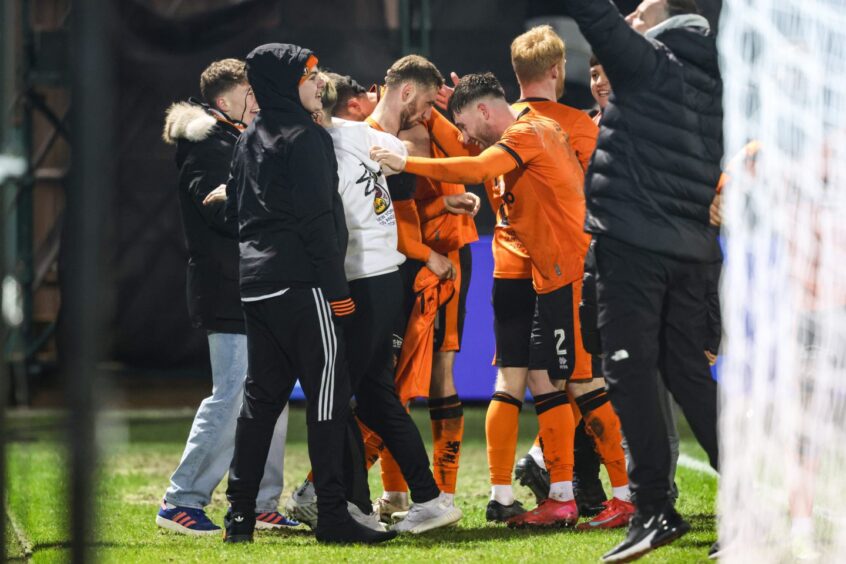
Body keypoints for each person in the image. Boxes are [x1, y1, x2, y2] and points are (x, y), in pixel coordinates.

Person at [372, 71, 592, 529]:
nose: (464, 136)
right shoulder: (551, 125)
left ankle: (540, 491)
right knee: (565, 382)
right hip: (541, 269)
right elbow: (470, 160)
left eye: (464, 124)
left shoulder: (526, 132)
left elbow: (472, 166)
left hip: (534, 269)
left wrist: (407, 161)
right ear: (558, 70)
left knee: (543, 382)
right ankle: (578, 493)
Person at [561, 0, 722, 560]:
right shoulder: (718, 75)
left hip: (634, 245)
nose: (631, 18)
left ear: (669, 20)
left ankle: (654, 508)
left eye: (642, 11)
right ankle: (748, 502)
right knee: (690, 378)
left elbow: (593, 17)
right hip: (693, 253)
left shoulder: (652, 62)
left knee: (626, 374)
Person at [221, 43, 396, 545]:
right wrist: (337, 292)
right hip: (305, 285)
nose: (319, 82)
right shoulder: (306, 137)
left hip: (256, 286)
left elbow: (235, 208)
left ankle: (239, 519)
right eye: (310, 74)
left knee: (261, 401)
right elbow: (321, 222)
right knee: (329, 399)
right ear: (286, 81)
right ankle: (335, 515)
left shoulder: (250, 134)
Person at [486, 25, 632, 530]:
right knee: (585, 380)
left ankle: (514, 491)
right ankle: (612, 490)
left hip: (507, 264)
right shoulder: (577, 126)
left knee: (522, 380)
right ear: (557, 71)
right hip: (564, 270)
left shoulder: (500, 122)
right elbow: (604, 201)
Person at [157, 58, 295, 535]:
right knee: (232, 393)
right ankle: (181, 499)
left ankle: (261, 501)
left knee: (270, 393)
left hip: (258, 282)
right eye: (248, 93)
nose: (257, 101)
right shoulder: (206, 146)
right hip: (227, 286)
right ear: (223, 100)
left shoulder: (239, 139)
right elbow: (217, 212)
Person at [366, 55, 478, 520]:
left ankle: (438, 494)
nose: (427, 112)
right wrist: (442, 204)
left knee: (435, 375)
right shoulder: (373, 131)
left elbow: (467, 165)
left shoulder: (420, 122)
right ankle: (398, 493)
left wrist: (438, 115)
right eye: (427, 102)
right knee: (396, 380)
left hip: (444, 262)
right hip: (410, 261)